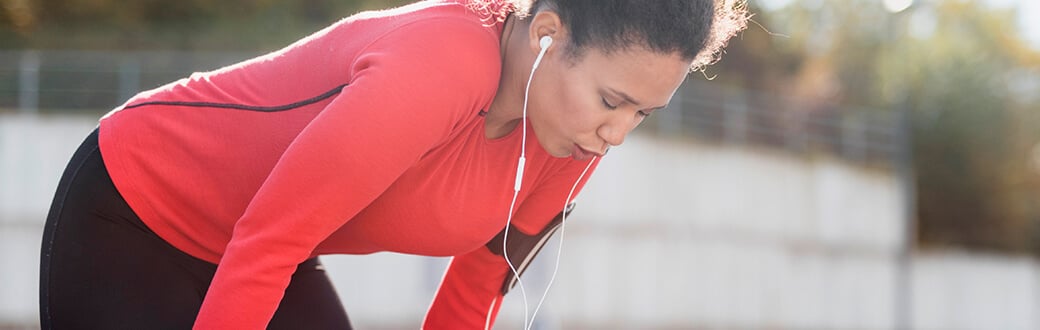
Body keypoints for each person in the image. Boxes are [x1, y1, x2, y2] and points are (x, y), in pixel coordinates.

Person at [38, 0, 748, 328]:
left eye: (641, 116)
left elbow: (473, 296)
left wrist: (600, 114)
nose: (617, 134)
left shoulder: (569, 141)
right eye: (612, 101)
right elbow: (268, 240)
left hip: (262, 254)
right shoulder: (433, 70)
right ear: (546, 35)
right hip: (133, 209)